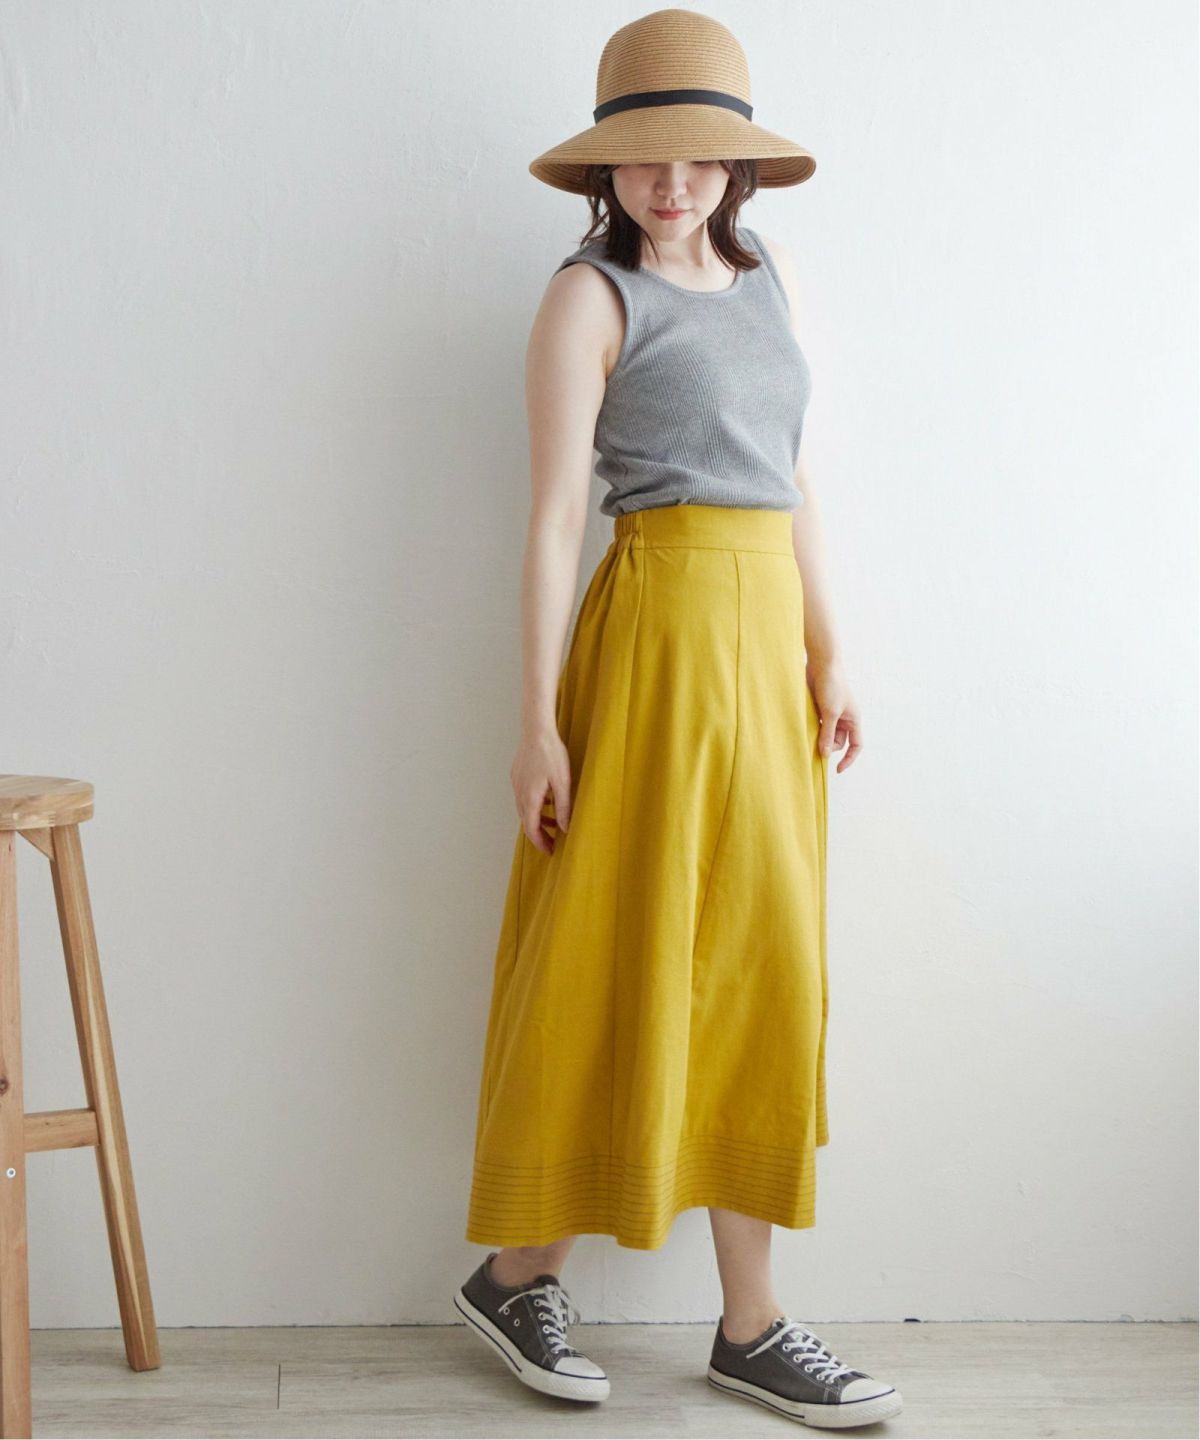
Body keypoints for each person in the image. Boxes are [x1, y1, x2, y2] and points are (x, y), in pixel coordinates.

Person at [452, 8, 902, 1429]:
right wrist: (537, 722)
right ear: (609, 168)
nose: (672, 182)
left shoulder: (769, 280)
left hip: (765, 651)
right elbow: (552, 521)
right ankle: (519, 1272)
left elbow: (792, 476)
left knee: (760, 960)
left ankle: (751, 1323)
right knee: (620, 943)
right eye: (646, 156)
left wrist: (831, 647)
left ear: (735, 166)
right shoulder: (588, 299)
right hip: (652, 634)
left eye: (699, 156)